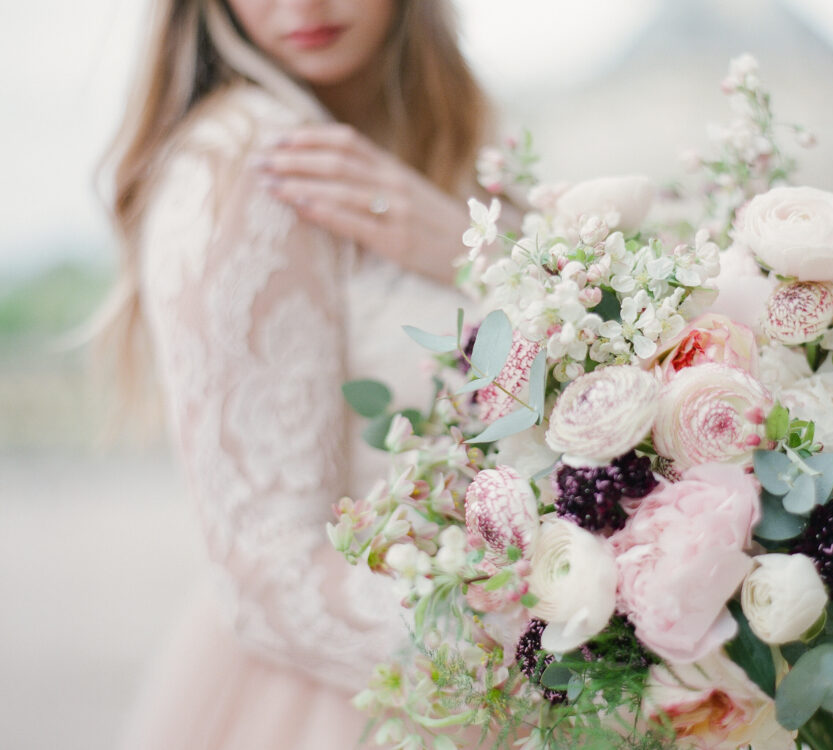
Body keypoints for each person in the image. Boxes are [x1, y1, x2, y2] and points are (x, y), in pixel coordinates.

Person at [100, 1, 489, 748]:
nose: (303, 6)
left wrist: (476, 252)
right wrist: (544, 652)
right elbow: (265, 572)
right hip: (352, 696)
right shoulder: (250, 154)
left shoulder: (447, 143)